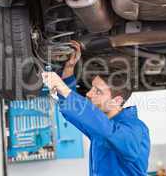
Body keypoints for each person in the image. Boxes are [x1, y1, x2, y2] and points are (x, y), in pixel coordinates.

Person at [42, 41, 150, 176]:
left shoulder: (136, 129)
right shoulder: (101, 125)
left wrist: (62, 87)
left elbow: (107, 131)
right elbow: (77, 114)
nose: (88, 94)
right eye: (92, 88)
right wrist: (69, 69)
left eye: (98, 91)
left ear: (116, 101)